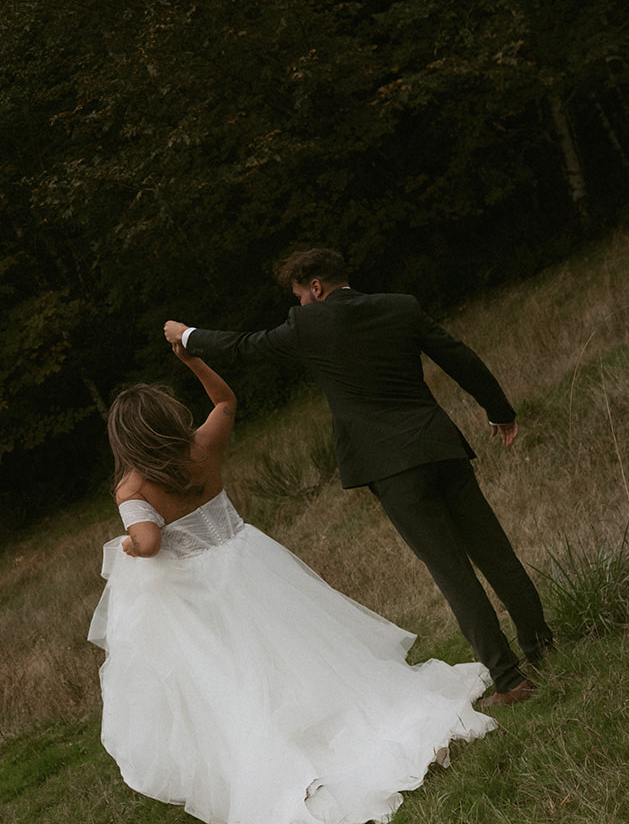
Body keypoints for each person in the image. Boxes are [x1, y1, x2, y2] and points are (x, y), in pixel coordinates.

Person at [88, 343, 496, 824]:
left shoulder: (133, 486)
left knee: (244, 675)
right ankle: (348, 722)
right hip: (250, 562)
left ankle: (292, 761)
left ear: (124, 440)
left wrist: (130, 548)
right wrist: (191, 359)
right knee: (302, 648)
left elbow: (150, 542)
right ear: (167, 418)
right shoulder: (202, 447)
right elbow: (226, 400)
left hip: (204, 595)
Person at [163, 248, 553, 707]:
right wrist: (499, 411)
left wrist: (186, 335)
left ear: (315, 288)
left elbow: (247, 347)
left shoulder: (309, 324)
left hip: (389, 467)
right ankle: (542, 650)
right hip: (440, 447)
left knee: (453, 574)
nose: (301, 306)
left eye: (300, 296)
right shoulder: (400, 306)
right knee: (495, 552)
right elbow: (458, 356)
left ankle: (509, 682)